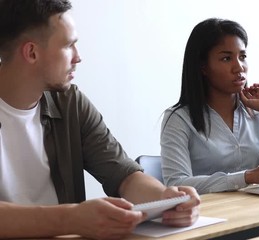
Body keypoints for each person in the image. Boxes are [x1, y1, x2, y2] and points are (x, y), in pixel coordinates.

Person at [0, 0, 200, 239]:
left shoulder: (70, 103)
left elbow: (123, 175)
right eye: (69, 45)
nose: (78, 57)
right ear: (31, 52)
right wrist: (71, 218)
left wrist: (165, 199)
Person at [160, 18, 259, 194]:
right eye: (226, 58)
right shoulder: (178, 118)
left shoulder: (256, 112)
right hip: (206, 214)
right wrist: (248, 176)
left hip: (252, 208)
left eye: (242, 57)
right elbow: (176, 184)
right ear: (203, 67)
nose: (239, 67)